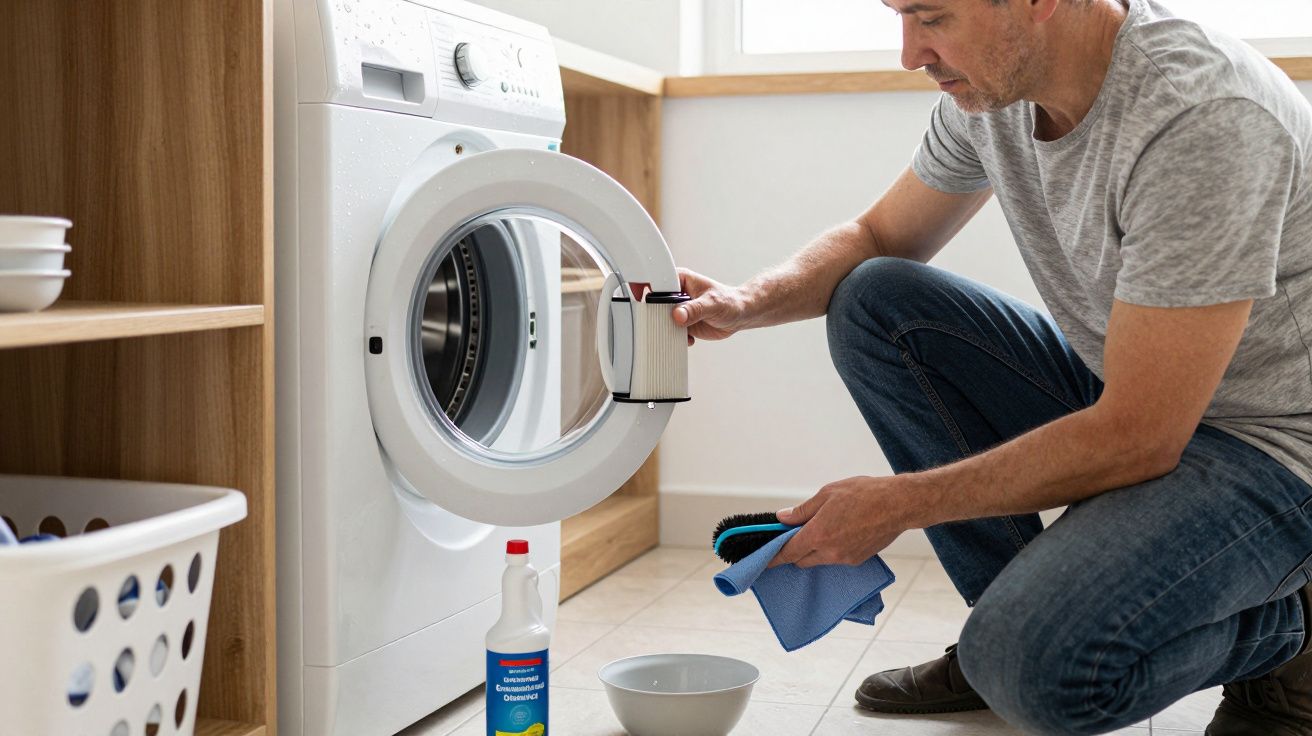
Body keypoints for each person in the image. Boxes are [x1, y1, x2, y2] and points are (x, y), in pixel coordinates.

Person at [672, 0, 1312, 733]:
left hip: (1275, 448)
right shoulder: (997, 90)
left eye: (931, 16)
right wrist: (745, 301)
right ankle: (999, 631)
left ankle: (1286, 633)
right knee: (877, 298)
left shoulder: (1201, 115)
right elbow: (880, 234)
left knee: (1039, 672)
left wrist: (896, 505)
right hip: (1141, 396)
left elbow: (1142, 436)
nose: (910, 53)